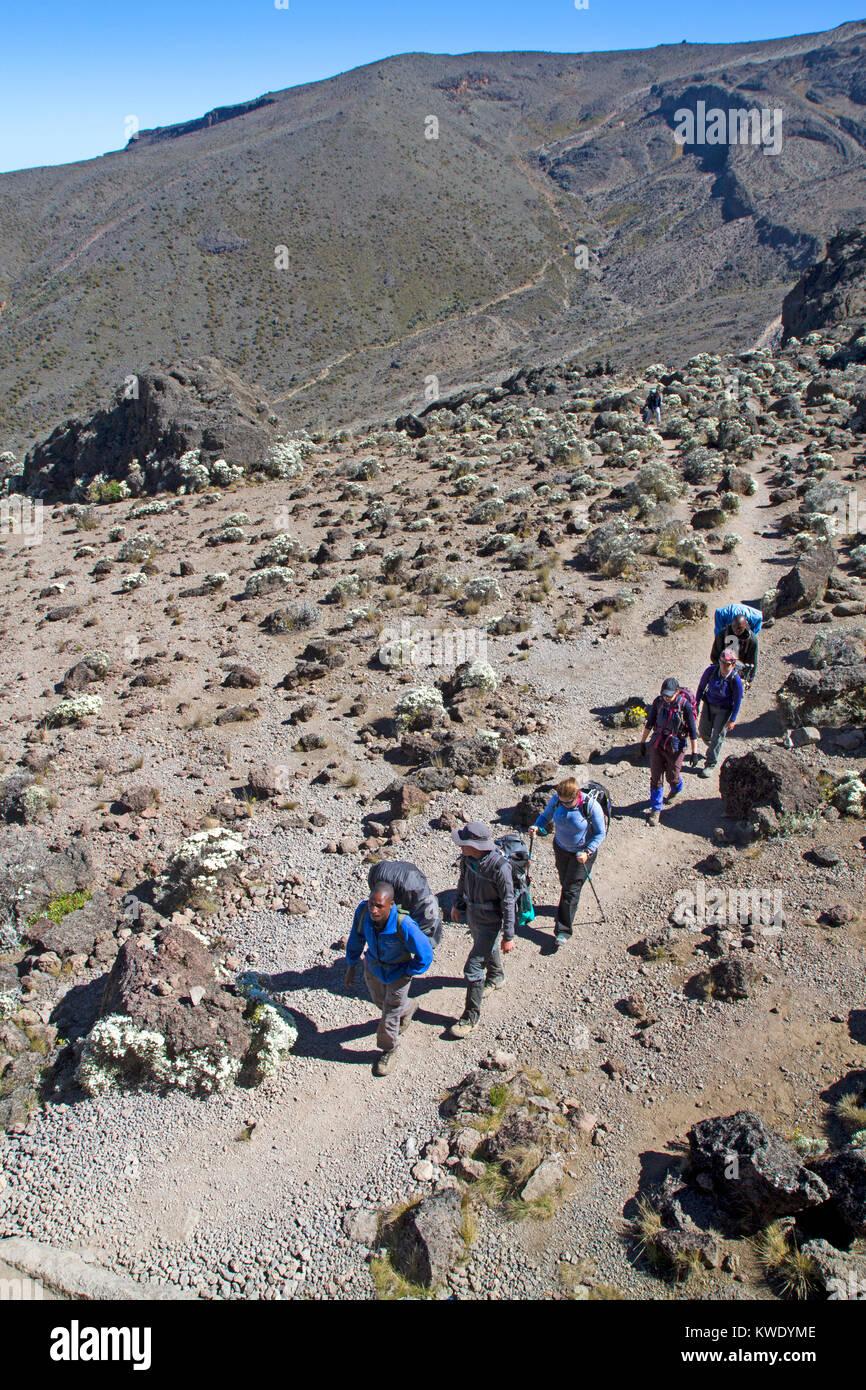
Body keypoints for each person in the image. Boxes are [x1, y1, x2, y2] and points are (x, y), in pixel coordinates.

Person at [345, 882, 433, 1077]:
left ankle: (388, 1050)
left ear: (391, 904)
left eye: (379, 906)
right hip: (374, 967)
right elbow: (356, 938)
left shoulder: (404, 925)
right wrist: (351, 965)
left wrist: (409, 971)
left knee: (390, 1012)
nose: (374, 910)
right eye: (371, 904)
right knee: (379, 1002)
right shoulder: (363, 913)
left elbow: (425, 954)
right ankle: (409, 1007)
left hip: (399, 972)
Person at [447, 822, 515, 1040]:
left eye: (462, 843)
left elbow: (508, 902)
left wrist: (508, 935)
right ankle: (496, 976)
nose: (459, 846)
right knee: (486, 947)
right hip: (474, 916)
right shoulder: (469, 860)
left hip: (491, 922)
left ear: (474, 845)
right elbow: (462, 882)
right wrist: (458, 904)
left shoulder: (500, 867)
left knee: (473, 967)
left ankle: (470, 1017)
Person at [529, 777, 606, 948]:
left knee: (570, 890)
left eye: (567, 803)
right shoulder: (558, 800)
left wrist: (588, 851)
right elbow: (545, 816)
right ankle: (568, 908)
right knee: (565, 883)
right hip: (561, 849)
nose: (564, 805)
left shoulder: (591, 806)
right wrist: (537, 826)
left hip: (582, 854)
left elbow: (601, 833)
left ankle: (563, 931)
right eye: (561, 802)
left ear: (576, 796)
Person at [639, 677, 699, 826]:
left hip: (676, 747)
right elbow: (650, 722)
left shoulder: (684, 706)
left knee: (672, 776)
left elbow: (692, 730)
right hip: (657, 743)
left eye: (669, 695)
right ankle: (656, 810)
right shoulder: (658, 702)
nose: (666, 697)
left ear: (677, 692)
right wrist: (642, 742)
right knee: (656, 778)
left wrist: (694, 752)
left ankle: (676, 787)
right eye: (664, 694)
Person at [696, 649, 743, 778]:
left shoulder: (735, 680)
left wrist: (732, 719)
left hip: (724, 710)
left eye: (727, 664)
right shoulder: (711, 672)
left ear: (733, 665)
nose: (723, 666)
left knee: (717, 737)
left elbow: (738, 700)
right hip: (709, 705)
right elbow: (701, 687)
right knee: (703, 731)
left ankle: (710, 763)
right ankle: (713, 748)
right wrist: (696, 704)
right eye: (722, 662)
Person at [711, 612, 758, 688]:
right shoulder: (722, 634)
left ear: (745, 626)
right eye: (734, 627)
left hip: (739, 672)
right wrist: (721, 668)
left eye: (740, 628)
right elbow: (715, 654)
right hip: (722, 668)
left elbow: (752, 661)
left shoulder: (752, 640)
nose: (736, 630)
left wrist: (749, 680)